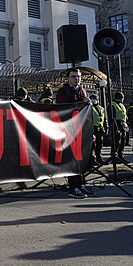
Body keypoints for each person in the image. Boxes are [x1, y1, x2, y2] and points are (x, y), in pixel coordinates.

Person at [55, 68, 95, 199]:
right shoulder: (64, 91)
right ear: (68, 78)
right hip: (69, 129)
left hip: (82, 129)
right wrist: (79, 104)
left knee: (82, 158)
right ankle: (73, 187)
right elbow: (62, 108)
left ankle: (81, 184)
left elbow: (87, 114)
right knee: (72, 160)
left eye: (78, 76)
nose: (76, 79)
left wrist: (90, 132)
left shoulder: (83, 91)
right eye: (73, 77)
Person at [90, 93, 107, 165]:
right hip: (93, 128)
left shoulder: (101, 108)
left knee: (99, 145)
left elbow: (104, 119)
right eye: (92, 99)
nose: (93, 100)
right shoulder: (89, 108)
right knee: (92, 146)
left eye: (95, 99)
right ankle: (92, 160)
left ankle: (99, 158)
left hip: (100, 128)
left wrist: (106, 128)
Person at [110, 92, 129, 161]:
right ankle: (114, 157)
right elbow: (112, 117)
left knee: (122, 142)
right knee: (116, 142)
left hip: (123, 125)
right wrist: (115, 128)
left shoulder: (121, 105)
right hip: (117, 124)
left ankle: (120, 155)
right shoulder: (112, 105)